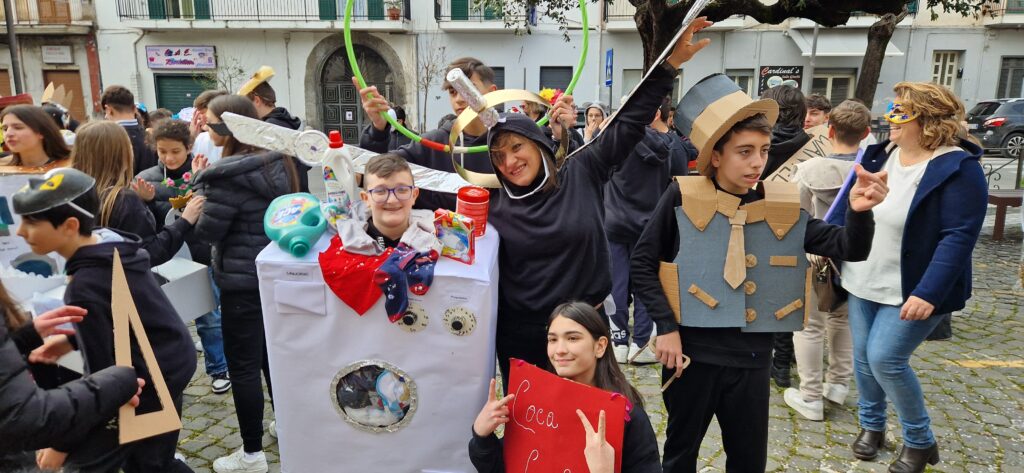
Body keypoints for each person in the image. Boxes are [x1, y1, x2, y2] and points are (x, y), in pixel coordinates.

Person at [631, 73, 888, 472]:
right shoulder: (681, 196)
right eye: (744, 151)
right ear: (716, 155)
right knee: (680, 455)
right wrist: (665, 326)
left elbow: (849, 248)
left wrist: (860, 211)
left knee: (748, 460)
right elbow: (643, 262)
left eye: (764, 151)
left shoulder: (779, 206)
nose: (757, 162)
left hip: (751, 358)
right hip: (691, 356)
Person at [482, 18, 713, 387]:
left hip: (584, 329)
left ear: (538, 145)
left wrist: (668, 67)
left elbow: (629, 122)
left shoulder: (581, 169)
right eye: (498, 155)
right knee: (529, 431)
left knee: (590, 427)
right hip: (520, 336)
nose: (509, 161)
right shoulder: (491, 199)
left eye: (516, 147)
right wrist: (381, 132)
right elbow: (413, 180)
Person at [829, 82, 986, 473]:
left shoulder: (957, 168)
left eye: (901, 111)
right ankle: (872, 426)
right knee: (864, 359)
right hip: (863, 275)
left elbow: (959, 236)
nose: (889, 118)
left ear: (928, 120)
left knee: (886, 359)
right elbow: (845, 209)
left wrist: (929, 292)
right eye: (891, 109)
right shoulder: (878, 154)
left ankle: (920, 441)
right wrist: (828, 243)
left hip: (913, 286)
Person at [12, 167, 196, 473]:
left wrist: (61, 447)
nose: (21, 232)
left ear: (69, 225)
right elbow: (125, 317)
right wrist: (72, 339)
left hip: (148, 380)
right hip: (170, 361)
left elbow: (102, 380)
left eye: (31, 222)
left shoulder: (86, 283)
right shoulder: (112, 248)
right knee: (154, 461)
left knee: (150, 465)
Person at [192, 94, 301, 473]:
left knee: (242, 367)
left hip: (241, 283)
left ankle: (251, 454)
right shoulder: (279, 160)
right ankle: (286, 430)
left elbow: (208, 232)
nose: (205, 127)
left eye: (208, 122)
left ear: (228, 126)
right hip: (276, 277)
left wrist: (193, 200)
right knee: (274, 361)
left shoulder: (225, 176)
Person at [355, 57, 573, 210]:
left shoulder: (518, 140)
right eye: (452, 91)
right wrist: (378, 128)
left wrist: (564, 133)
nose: (459, 98)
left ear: (493, 93)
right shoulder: (434, 144)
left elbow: (559, 174)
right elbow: (373, 171)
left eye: (468, 88)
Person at [468, 302, 660, 473]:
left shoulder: (628, 418)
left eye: (573, 338)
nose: (559, 350)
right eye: (552, 339)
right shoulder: (535, 407)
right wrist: (482, 434)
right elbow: (503, 467)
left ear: (600, 346)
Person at [784, 99, 872, 421]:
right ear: (865, 133)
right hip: (858, 258)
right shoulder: (870, 172)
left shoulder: (808, 170)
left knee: (808, 326)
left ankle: (810, 396)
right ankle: (837, 385)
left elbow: (797, 218)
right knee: (841, 321)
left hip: (819, 257)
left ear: (830, 130)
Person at [0, 281, 144, 472]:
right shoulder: (82, 286)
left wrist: (20, 339)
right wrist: (120, 382)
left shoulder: (85, 284)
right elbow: (23, 416)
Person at [134, 119, 231, 395]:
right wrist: (146, 201)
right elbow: (145, 223)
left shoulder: (201, 172)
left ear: (188, 148)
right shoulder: (147, 177)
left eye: (175, 151)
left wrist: (201, 183)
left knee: (208, 316)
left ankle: (218, 367)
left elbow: (213, 210)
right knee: (165, 318)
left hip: (199, 255)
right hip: (165, 257)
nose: (169, 157)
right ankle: (168, 372)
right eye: (163, 151)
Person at [604, 95, 692, 364]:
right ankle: (641, 342)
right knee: (646, 281)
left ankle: (618, 340)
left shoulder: (617, 141)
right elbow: (679, 182)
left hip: (615, 221)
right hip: (650, 223)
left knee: (616, 283)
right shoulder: (670, 144)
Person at [70, 121, 204, 267]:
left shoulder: (75, 193)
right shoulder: (122, 199)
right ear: (120, 155)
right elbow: (150, 253)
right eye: (128, 146)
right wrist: (184, 222)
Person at [758, 84, 810, 387]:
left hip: (760, 222)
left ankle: (767, 358)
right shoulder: (809, 145)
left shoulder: (762, 144)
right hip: (794, 224)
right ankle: (782, 363)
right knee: (787, 295)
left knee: (762, 293)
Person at [101, 85, 158, 175]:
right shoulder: (152, 137)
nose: (105, 116)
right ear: (135, 109)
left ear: (108, 110)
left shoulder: (105, 138)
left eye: (105, 113)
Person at [0, 105, 71, 167]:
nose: (8, 133)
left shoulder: (69, 168)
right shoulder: (3, 168)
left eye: (18, 127)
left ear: (41, 132)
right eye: (5, 129)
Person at [190, 89, 228, 164]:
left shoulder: (235, 140)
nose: (199, 117)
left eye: (203, 112)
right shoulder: (199, 139)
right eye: (198, 113)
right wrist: (191, 138)